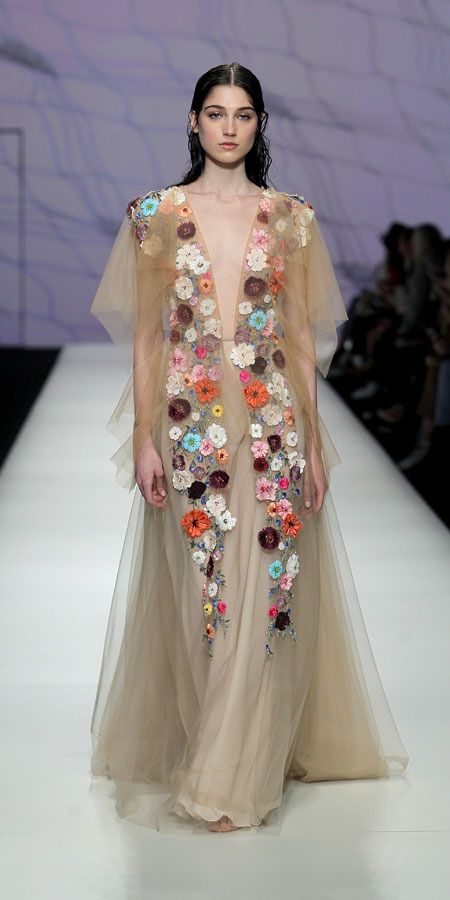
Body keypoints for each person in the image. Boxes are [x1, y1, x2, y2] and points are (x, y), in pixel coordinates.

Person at [88, 62, 409, 834]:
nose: (228, 127)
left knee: (267, 593)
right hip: (190, 425)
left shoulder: (291, 219)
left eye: (242, 114)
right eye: (215, 112)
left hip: (273, 430)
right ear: (192, 121)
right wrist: (142, 439)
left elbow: (299, 338)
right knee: (211, 597)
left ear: (260, 124)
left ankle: (229, 776)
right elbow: (147, 340)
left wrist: (315, 447)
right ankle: (223, 745)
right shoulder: (155, 215)